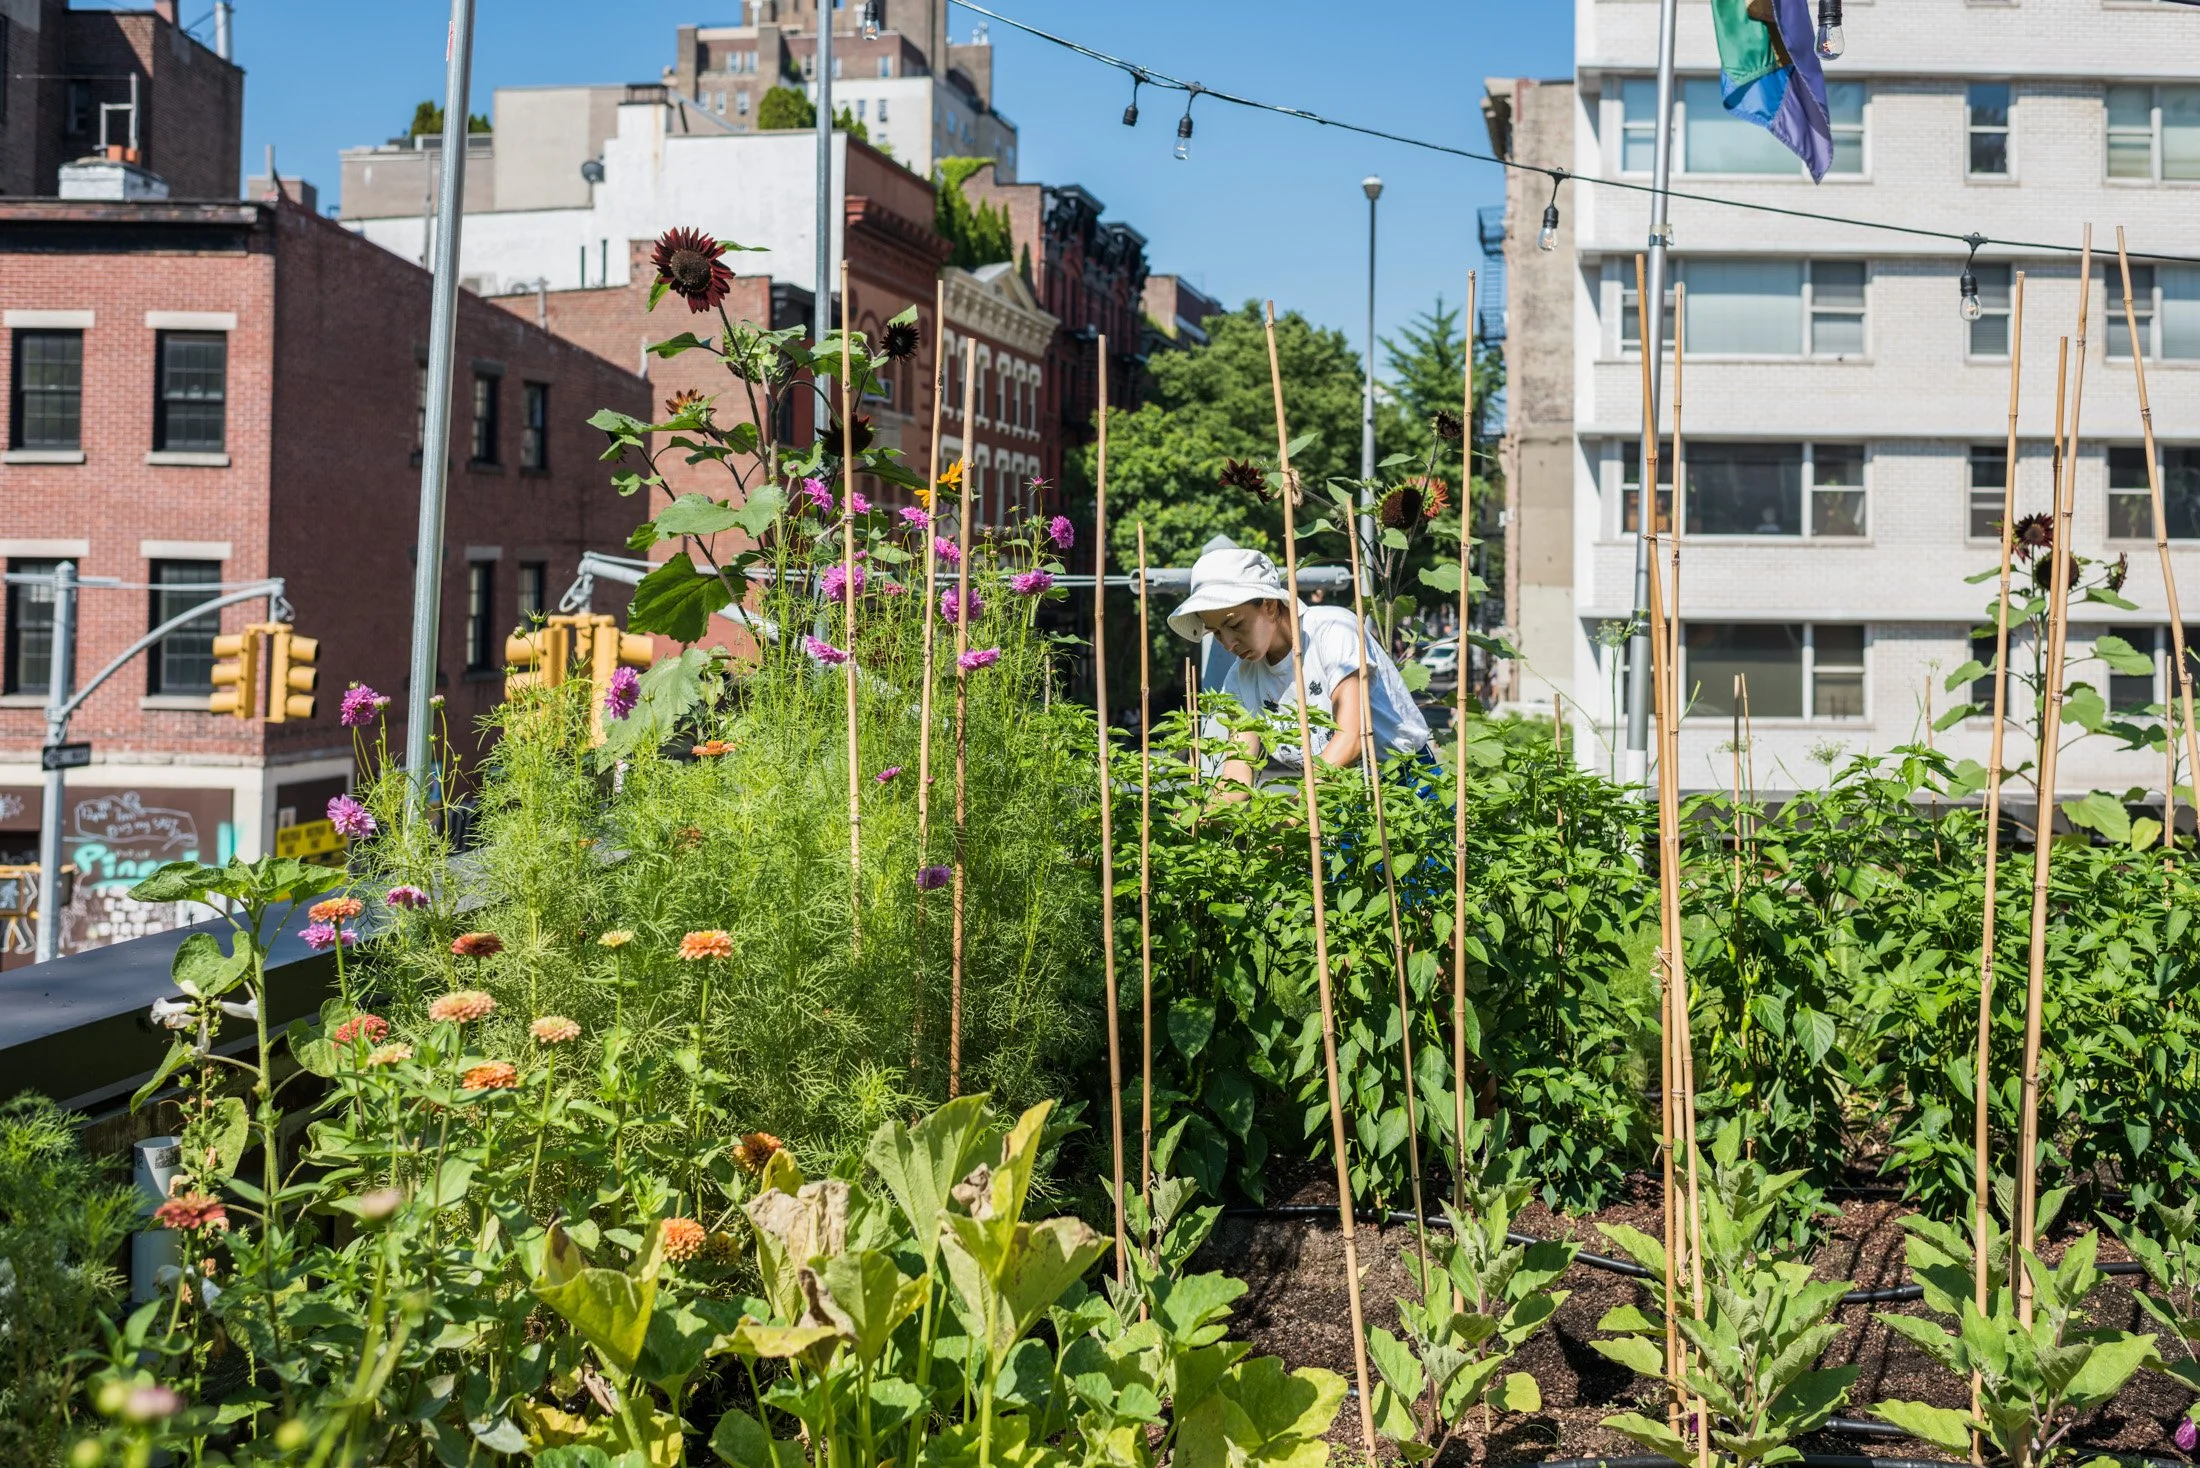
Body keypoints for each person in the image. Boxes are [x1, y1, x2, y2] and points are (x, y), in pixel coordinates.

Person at [1166, 545, 1432, 792]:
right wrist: (1207, 816)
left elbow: (1351, 739)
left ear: (1270, 605)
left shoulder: (1331, 632)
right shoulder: (1242, 677)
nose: (1228, 643)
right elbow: (1238, 770)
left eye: (1235, 625)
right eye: (1216, 633)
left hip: (1407, 782)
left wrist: (1295, 814)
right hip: (1334, 794)